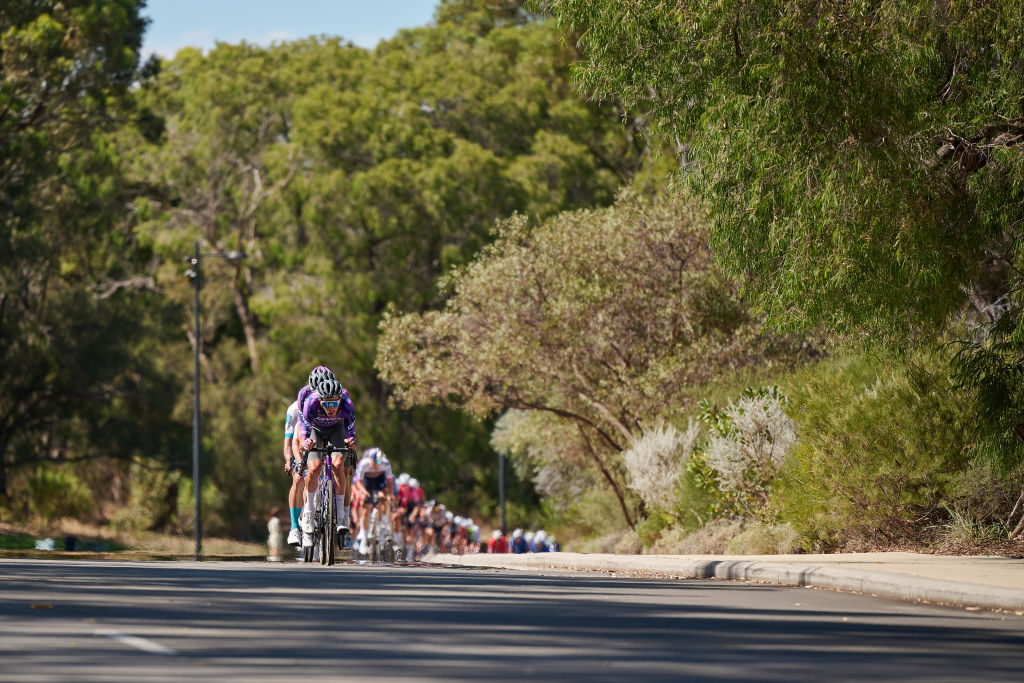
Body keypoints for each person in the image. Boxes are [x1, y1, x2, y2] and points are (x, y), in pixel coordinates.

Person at [297, 376, 357, 548]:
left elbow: (350, 431)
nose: (331, 408)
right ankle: (309, 514)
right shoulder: (310, 404)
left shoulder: (347, 404)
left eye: (334, 403)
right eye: (327, 404)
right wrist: (306, 442)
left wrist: (350, 442)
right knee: (314, 468)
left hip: (338, 429)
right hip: (315, 429)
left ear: (340, 399)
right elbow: (304, 431)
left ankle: (341, 517)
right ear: (320, 401)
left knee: (338, 464)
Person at [352, 447, 395, 555]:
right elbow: (358, 482)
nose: (376, 466)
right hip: (366, 482)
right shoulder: (364, 464)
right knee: (365, 505)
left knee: (384, 499)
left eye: (378, 463)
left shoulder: (385, 464)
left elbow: (390, 482)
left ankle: (382, 525)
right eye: (374, 463)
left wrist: (389, 494)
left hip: (380, 481)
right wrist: (364, 492)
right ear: (370, 459)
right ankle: (364, 536)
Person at [281, 398, 306, 546]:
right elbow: (288, 442)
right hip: (299, 445)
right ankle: (294, 527)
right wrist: (289, 460)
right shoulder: (293, 410)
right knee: (298, 478)